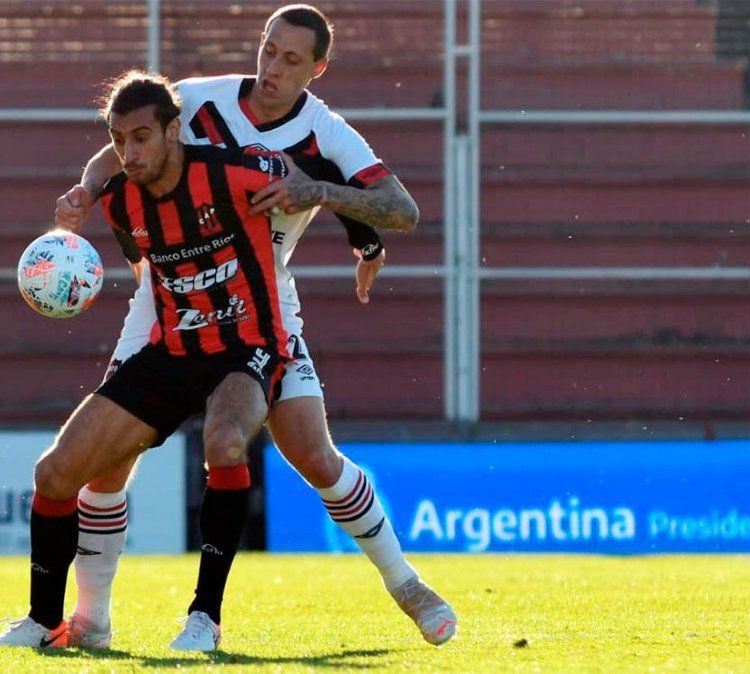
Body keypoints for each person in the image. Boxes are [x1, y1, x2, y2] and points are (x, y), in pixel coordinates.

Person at [54, 3, 456, 650]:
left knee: (310, 454)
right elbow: (117, 147)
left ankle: (405, 583)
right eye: (267, 49)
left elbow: (399, 209)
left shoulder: (326, 134)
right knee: (108, 460)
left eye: (291, 59)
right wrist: (84, 189)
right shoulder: (200, 99)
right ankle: (92, 618)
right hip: (168, 298)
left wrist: (319, 192)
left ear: (317, 69)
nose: (271, 67)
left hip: (260, 305)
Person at [0, 71, 295, 652]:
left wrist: (355, 228)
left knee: (226, 442)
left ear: (174, 132)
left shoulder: (232, 173)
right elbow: (138, 260)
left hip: (247, 345)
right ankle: (45, 622)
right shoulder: (122, 201)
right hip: (172, 349)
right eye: (119, 139)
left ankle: (204, 618)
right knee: (54, 473)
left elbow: (306, 173)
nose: (129, 152)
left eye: (142, 137)